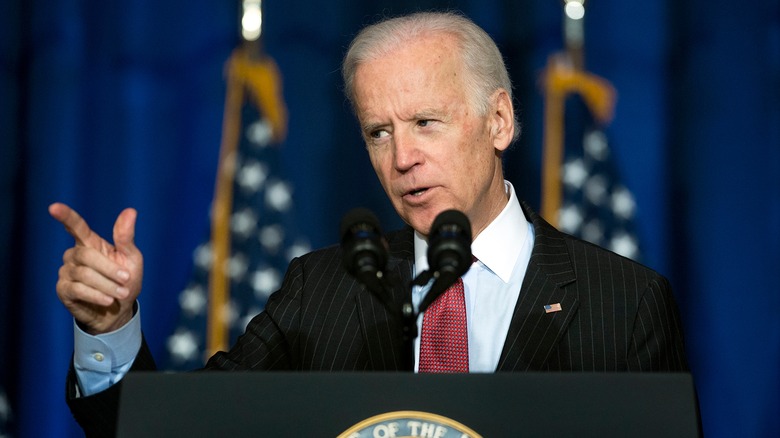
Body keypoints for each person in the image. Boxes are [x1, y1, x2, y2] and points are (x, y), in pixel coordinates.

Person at [50, 11, 688, 436]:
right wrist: (109, 327)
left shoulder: (624, 301)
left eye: (425, 123)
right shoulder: (323, 289)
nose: (402, 158)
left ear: (498, 121)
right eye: (378, 132)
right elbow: (180, 430)